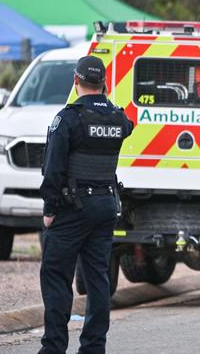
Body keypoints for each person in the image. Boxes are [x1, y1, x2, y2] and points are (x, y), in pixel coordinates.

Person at [38, 55, 133, 354]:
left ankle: (53, 347)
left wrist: (49, 209)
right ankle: (94, 347)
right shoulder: (117, 118)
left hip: (72, 208)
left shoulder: (68, 119)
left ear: (76, 81)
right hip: (106, 206)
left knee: (55, 275)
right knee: (97, 279)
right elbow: (130, 124)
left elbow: (53, 169)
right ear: (104, 84)